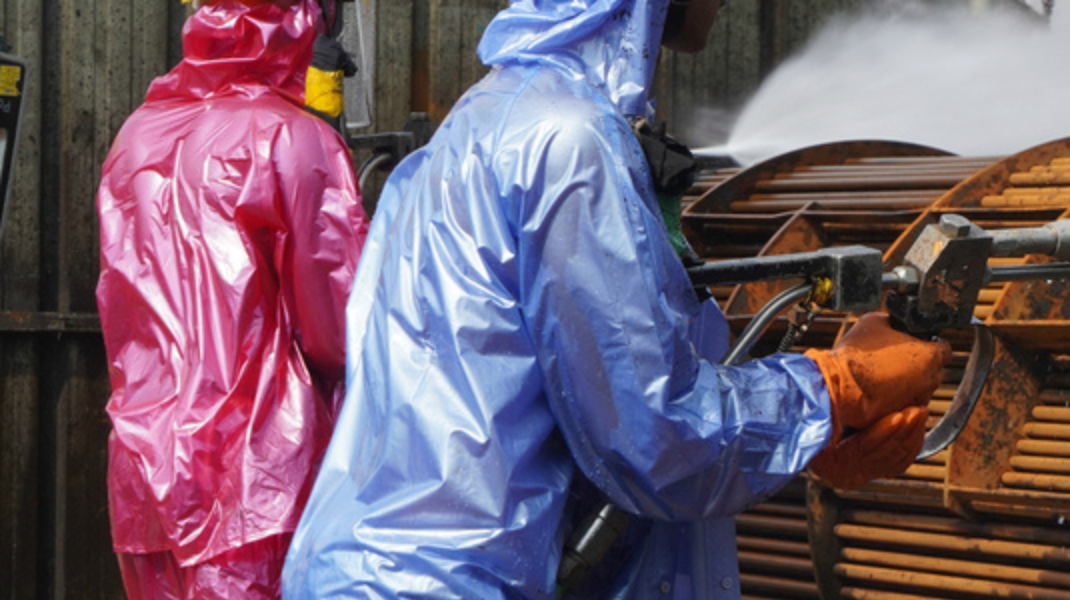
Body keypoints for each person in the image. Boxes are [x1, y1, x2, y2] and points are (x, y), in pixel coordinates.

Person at [282, 0, 950, 598]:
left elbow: (551, 407)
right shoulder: (569, 144)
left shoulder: (482, 121)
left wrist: (799, 443)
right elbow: (652, 437)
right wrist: (831, 392)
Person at [95, 0, 368, 598]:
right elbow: (342, 335)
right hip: (253, 483)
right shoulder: (296, 140)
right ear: (298, 21)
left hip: (146, 475)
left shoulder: (136, 136)